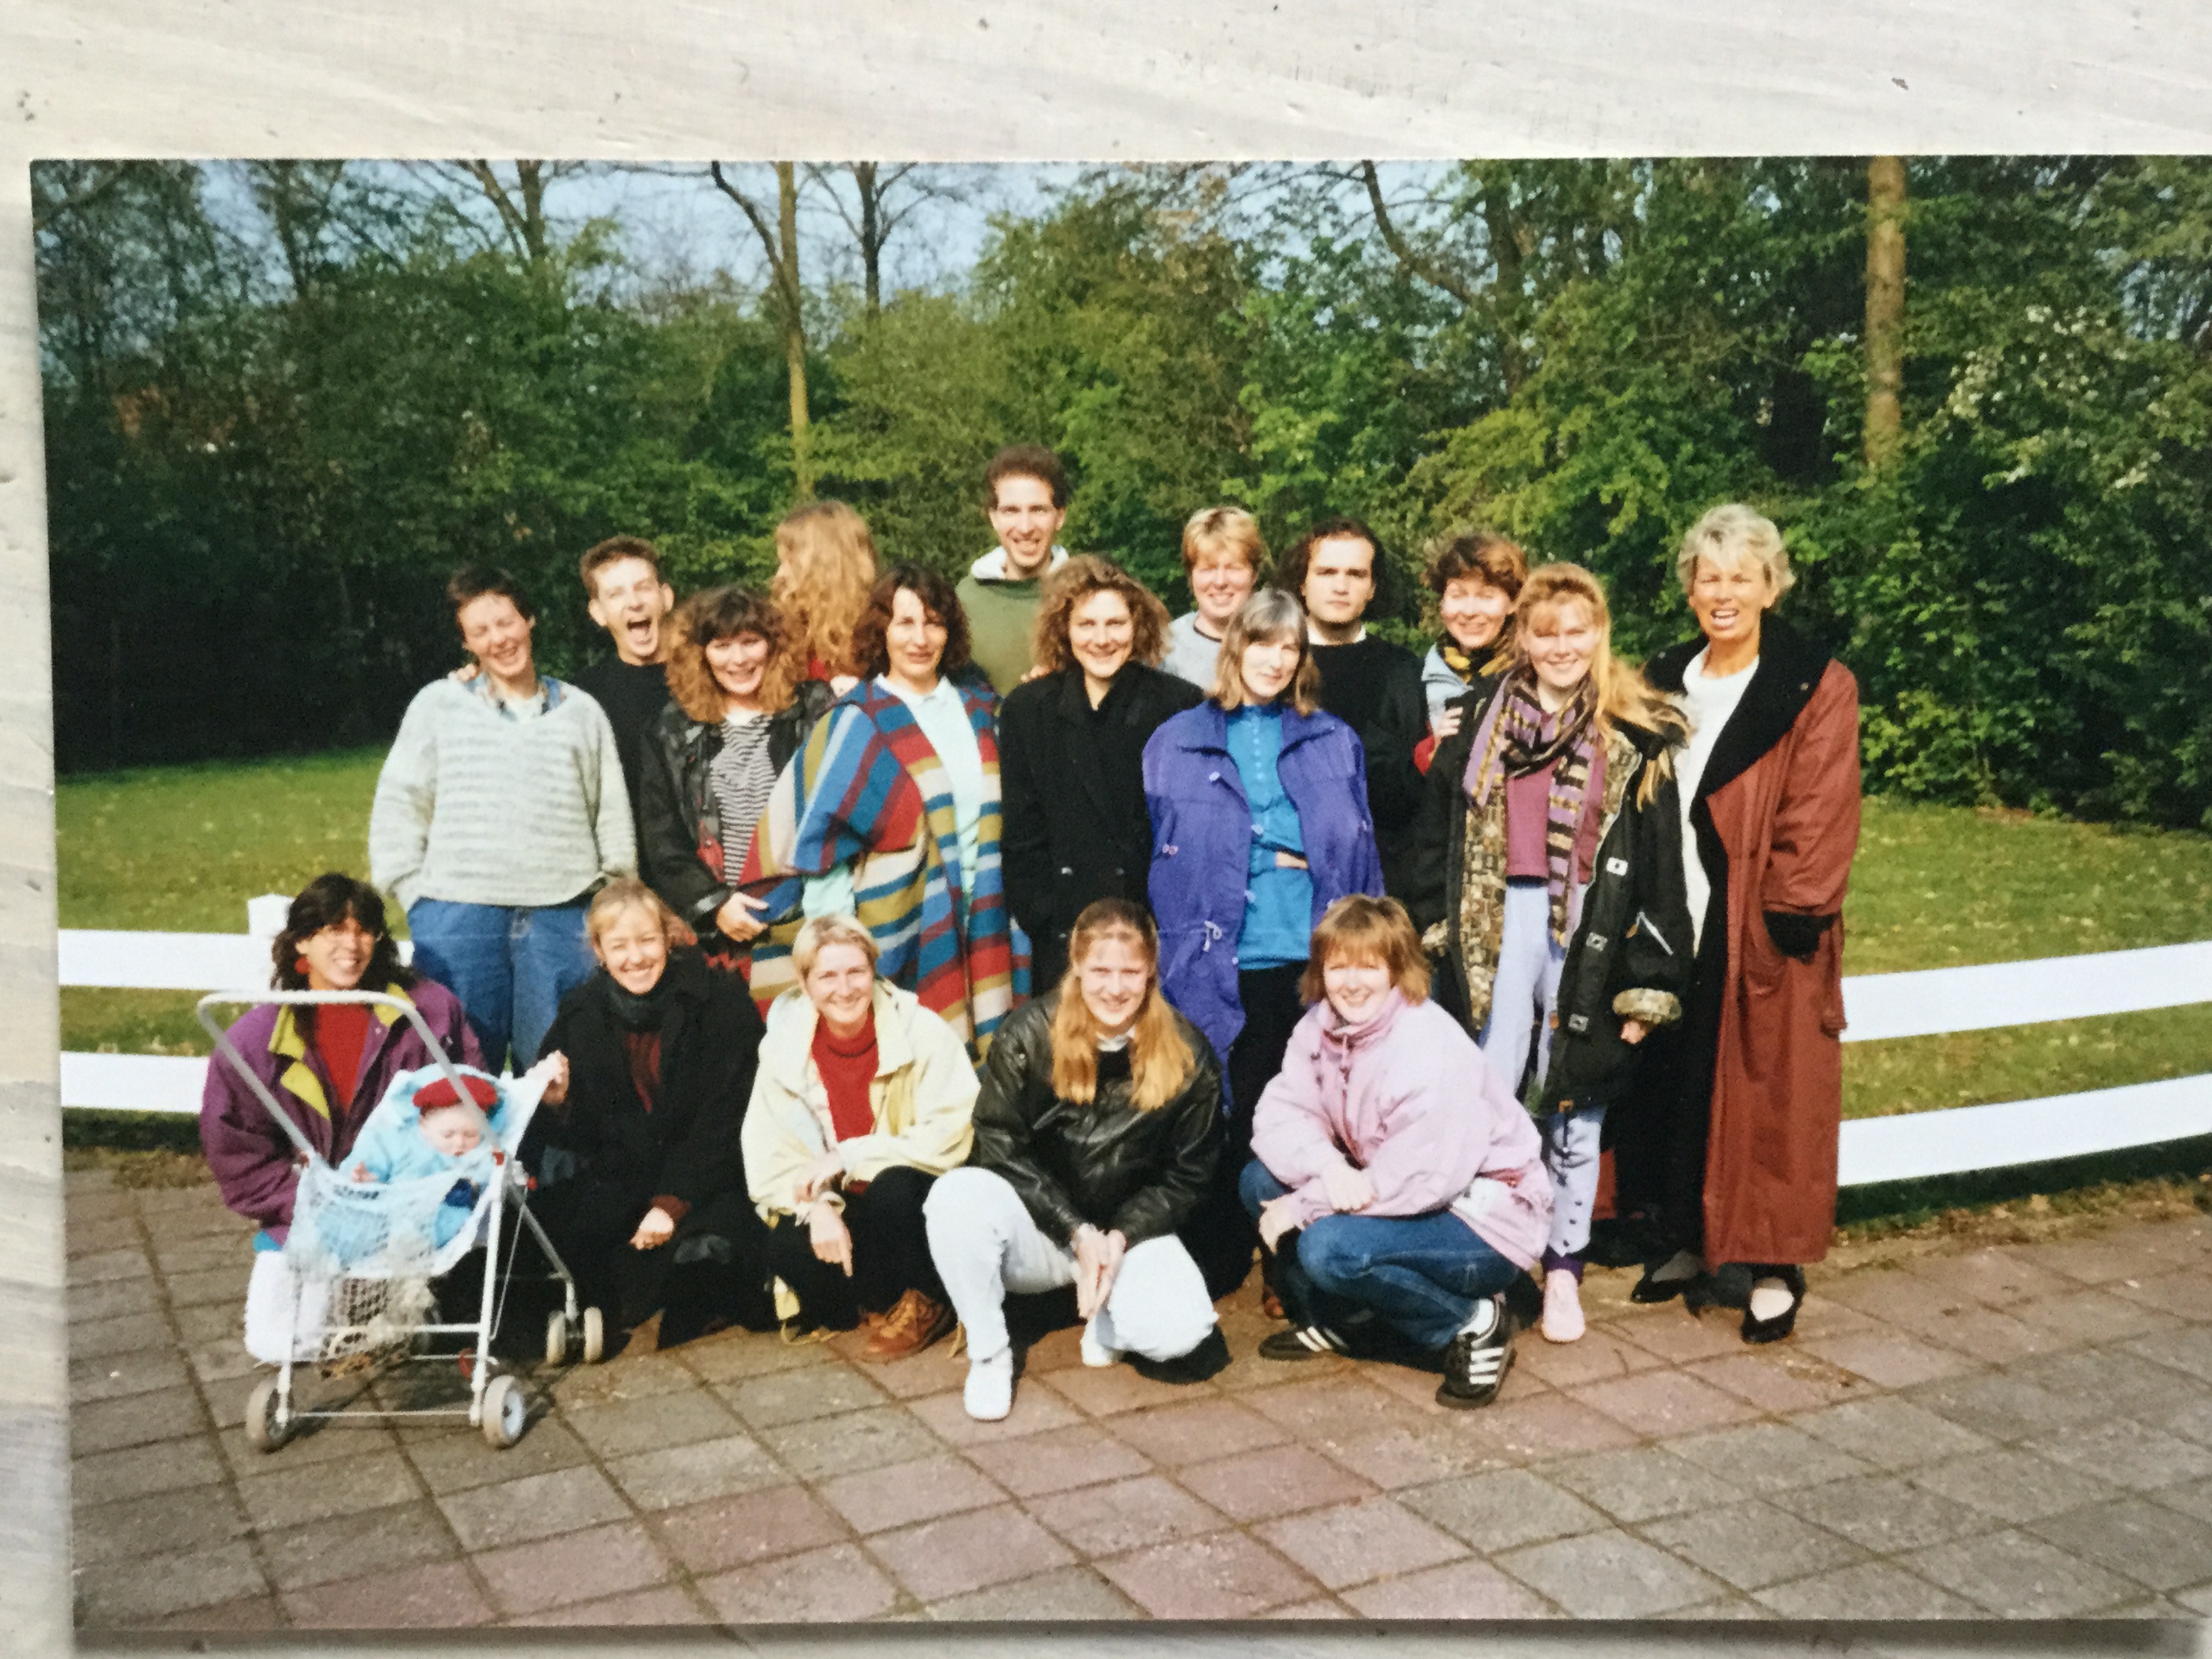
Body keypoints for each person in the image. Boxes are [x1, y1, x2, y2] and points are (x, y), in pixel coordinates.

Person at [1405, 565, 1695, 1343]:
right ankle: (1497, 1261)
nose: (1562, 646)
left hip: (1585, 934)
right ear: (1522, 639)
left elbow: (1660, 874)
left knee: (1574, 1098)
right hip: (1496, 928)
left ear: (1598, 635)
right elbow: (1434, 847)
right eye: (1546, 632)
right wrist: (1435, 933)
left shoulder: (1633, 742)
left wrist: (1651, 985)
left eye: (1578, 631)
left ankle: (1564, 1266)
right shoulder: (1476, 731)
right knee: (1493, 1101)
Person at [1614, 504, 1862, 1345]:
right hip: (1669, 912)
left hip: (1758, 916)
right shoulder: (1666, 675)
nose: (1724, 595)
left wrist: (1792, 908)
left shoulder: (1812, 682)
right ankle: (1686, 1236)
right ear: (1690, 589)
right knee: (1679, 1080)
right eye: (1708, 578)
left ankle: (1770, 1267)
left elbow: (1821, 804)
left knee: (1763, 1094)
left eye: (1741, 578)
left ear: (1770, 585)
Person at [1143, 589, 1384, 1296]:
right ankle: (1216, 1253)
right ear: (1235, 646)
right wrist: (1266, 850)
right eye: (1263, 643)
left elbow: (1357, 855)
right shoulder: (1177, 739)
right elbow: (1160, 845)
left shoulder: (1332, 738)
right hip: (1214, 953)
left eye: (1290, 647)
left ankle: (1292, 1266)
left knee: (1303, 1112)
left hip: (1307, 953)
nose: (1275, 660)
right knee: (1220, 1109)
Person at [925, 899, 1227, 1422]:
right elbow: (998, 1142)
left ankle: (1110, 1318)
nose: (1115, 988)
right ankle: (991, 1353)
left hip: (1128, 1236)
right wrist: (1075, 1231)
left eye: (1131, 972)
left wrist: (1118, 1236)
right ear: (1077, 963)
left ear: (1152, 969)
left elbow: (1188, 1178)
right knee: (952, 1197)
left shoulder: (1189, 1054)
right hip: (1046, 1231)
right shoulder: (1027, 1033)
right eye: (1102, 971)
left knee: (1183, 1334)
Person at [1242, 896, 1549, 1407]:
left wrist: (1306, 1204)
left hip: (1481, 1219)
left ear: (1397, 969)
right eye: (1338, 966)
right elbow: (1279, 1115)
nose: (1352, 982)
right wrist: (1327, 1166)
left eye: (1370, 966)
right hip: (1398, 1189)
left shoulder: (1424, 1044)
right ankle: (1351, 1320)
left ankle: (1474, 1322)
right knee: (1259, 1181)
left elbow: (1424, 1179)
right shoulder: (1321, 1027)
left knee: (1329, 1248)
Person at [739, 563, 1026, 1057]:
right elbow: (819, 849)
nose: (920, 638)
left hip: (988, 918)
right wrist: (838, 945)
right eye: (905, 623)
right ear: (882, 630)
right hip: (896, 931)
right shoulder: (856, 721)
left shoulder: (983, 710)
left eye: (934, 622)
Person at [370, 566, 634, 1069]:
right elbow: (400, 802)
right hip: (460, 918)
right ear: (467, 643)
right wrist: (414, 895)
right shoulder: (439, 705)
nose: (499, 639)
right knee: (459, 1071)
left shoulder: (581, 712)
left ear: (529, 620)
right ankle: (470, 1155)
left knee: (558, 1071)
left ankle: (543, 1155)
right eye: (481, 631)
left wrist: (612, 894)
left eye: (506, 622)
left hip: (563, 915)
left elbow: (611, 812)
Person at [525, 880, 777, 1349]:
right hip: (627, 1179)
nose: (635, 958)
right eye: (619, 946)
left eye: (647, 941)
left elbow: (729, 1117)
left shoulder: (719, 1000)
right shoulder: (581, 1013)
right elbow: (581, 1136)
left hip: (711, 1176)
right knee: (544, 1238)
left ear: (669, 938)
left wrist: (672, 1202)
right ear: (599, 951)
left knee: (713, 1251)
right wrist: (559, 1103)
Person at [201, 873, 483, 1244]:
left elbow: (470, 1105)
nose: (351, 944)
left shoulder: (429, 1014)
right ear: (302, 941)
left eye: (364, 930)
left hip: (413, 1211)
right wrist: (316, 1203)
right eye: (335, 930)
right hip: (307, 1213)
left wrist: (409, 1192)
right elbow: (240, 1154)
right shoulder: (253, 1043)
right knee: (283, 1292)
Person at [744, 916, 979, 1359]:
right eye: (827, 976)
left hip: (910, 1203)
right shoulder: (783, 1048)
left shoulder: (921, 1030)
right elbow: (768, 1158)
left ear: (874, 971)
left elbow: (953, 1133)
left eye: (856, 972)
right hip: (847, 1206)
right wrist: (817, 1207)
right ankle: (879, 1302)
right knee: (785, 1243)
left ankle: (929, 1297)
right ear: (804, 982)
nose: (845, 988)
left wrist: (851, 1156)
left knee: (895, 1187)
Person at [999, 556, 1202, 989]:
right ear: (1064, 630)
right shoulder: (1028, 710)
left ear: (1138, 625)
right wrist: (1046, 917)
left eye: (1116, 623)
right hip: (1067, 934)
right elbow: (1022, 836)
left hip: (1153, 932)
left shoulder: (1178, 706)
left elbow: (1192, 831)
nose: (1102, 639)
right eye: (1087, 625)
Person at [638, 584, 836, 969]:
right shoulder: (672, 729)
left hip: (808, 917)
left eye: (750, 642)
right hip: (723, 932)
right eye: (722, 646)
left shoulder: (815, 710)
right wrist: (715, 905)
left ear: (774, 646)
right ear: (700, 654)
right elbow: (663, 842)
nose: (738, 659)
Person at [1277, 519, 1427, 893]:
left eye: (1356, 574)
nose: (1341, 586)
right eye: (1327, 572)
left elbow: (1413, 795)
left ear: (1373, 587)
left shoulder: (1405, 671)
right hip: (1290, 881)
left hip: (1383, 882)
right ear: (1303, 581)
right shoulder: (1276, 666)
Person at [571, 536, 680, 838]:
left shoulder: (715, 677)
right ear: (598, 612)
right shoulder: (582, 699)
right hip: (626, 876)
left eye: (643, 587)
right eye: (616, 594)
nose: (634, 602)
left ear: (666, 597)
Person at [958, 444, 1072, 693]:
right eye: (1011, 511)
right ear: (994, 518)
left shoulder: (1086, 595)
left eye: (1038, 510)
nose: (1025, 527)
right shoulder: (963, 601)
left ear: (1060, 516)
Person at [1418, 530, 1528, 747]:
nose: (1469, 611)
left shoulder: (1532, 676)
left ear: (1514, 603)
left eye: (1486, 596)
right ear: (1442, 603)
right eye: (1457, 595)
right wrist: (1435, 750)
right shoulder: (1416, 682)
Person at [769, 499, 879, 693]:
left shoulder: (880, 637)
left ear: (824, 569)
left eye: (790, 563)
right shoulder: (783, 636)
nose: (780, 575)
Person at [1163, 506, 1267, 689]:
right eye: (1208, 569)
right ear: (1191, 575)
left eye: (1233, 568)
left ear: (1254, 573)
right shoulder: (1165, 650)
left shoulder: (1282, 642)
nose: (1220, 582)